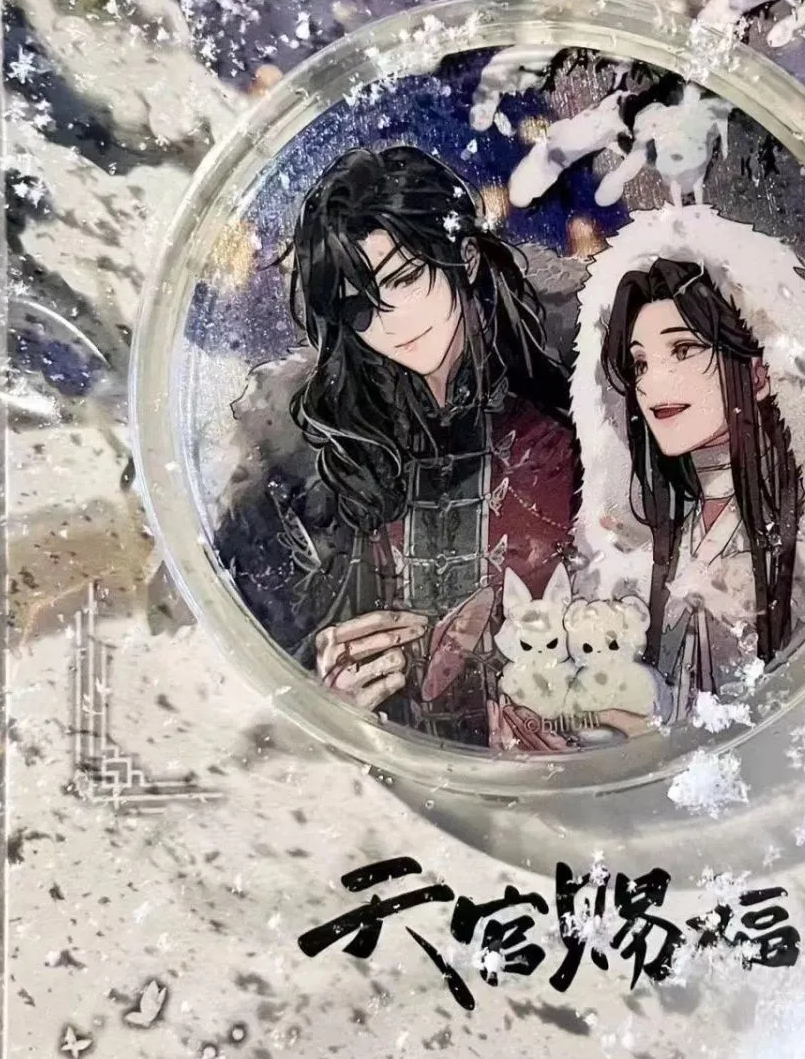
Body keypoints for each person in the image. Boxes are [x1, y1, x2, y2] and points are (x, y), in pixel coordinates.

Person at [214, 146, 580, 746]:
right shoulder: (324, 459)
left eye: (407, 279)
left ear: (464, 257)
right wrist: (330, 701)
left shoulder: (579, 410)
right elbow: (278, 663)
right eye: (360, 305)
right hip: (404, 771)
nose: (392, 319)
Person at [570, 206, 805, 707]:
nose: (653, 383)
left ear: (760, 371)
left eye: (683, 350)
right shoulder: (657, 541)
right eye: (641, 362)